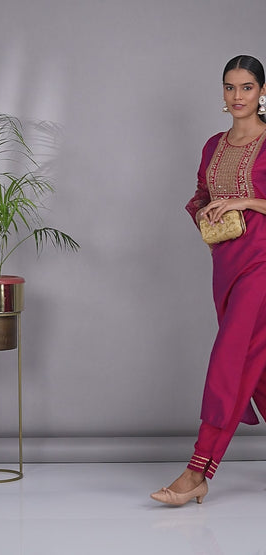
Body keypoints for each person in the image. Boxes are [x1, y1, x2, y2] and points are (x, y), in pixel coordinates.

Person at [151, 54, 266, 506]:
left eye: (247, 87)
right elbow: (201, 194)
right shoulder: (213, 145)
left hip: (262, 261)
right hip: (226, 263)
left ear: (262, 92)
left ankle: (197, 471)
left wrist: (246, 202)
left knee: (230, 359)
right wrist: (206, 212)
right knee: (255, 363)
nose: (238, 96)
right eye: (230, 87)